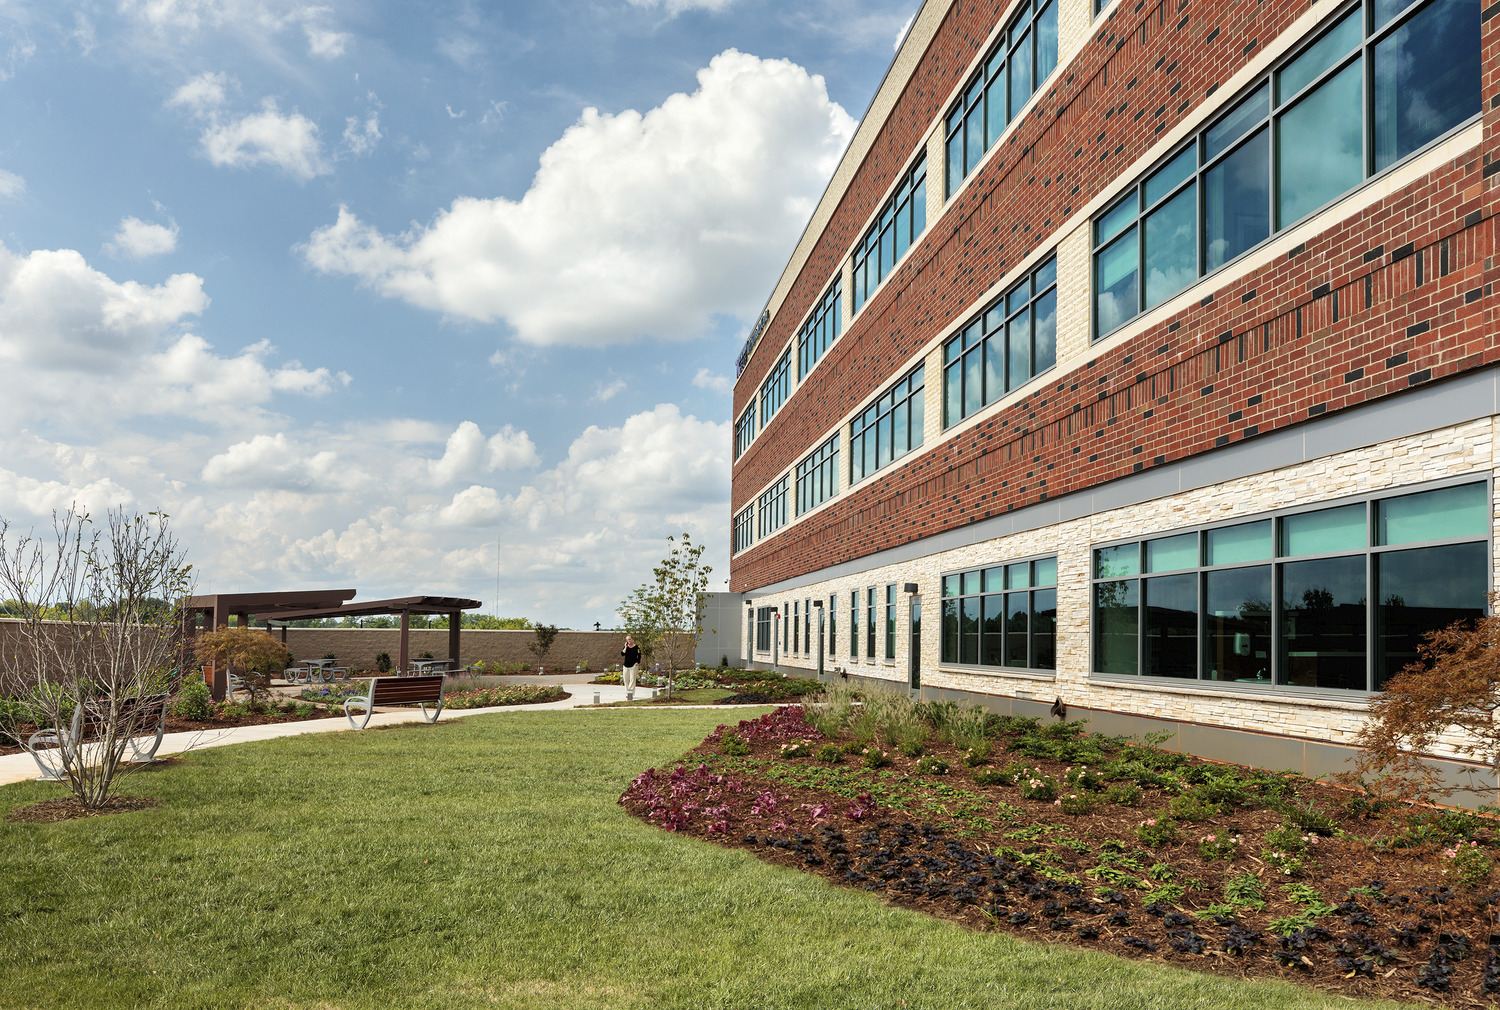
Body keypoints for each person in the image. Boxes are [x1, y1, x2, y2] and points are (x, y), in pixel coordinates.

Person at [620, 635, 641, 700]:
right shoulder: (626, 647)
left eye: (630, 639)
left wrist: (637, 662)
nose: (629, 641)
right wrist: (626, 647)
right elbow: (622, 654)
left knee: (632, 679)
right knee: (626, 679)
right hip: (626, 665)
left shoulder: (637, 647)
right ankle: (627, 692)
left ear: (632, 639)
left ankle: (630, 693)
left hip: (633, 665)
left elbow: (639, 655)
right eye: (627, 640)